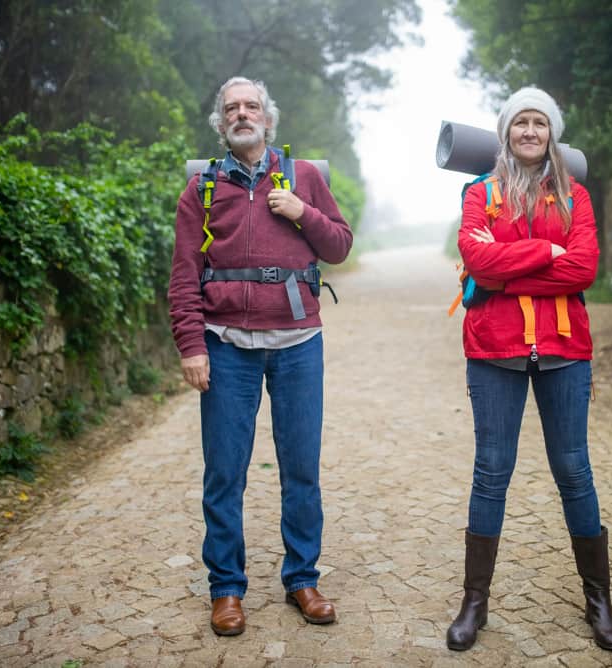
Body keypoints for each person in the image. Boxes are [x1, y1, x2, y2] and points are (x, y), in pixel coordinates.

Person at [168, 76, 352, 637]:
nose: (242, 114)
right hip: (226, 349)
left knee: (302, 470)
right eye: (232, 109)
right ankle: (226, 588)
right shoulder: (201, 189)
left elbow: (340, 247)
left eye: (251, 106)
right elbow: (183, 279)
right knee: (225, 473)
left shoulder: (307, 178)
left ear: (268, 119)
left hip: (298, 344)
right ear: (221, 124)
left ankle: (302, 579)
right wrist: (192, 346)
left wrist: (301, 211)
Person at [445, 86, 612, 652]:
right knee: (491, 470)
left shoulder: (576, 197)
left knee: (574, 470)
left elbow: (584, 268)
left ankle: (599, 601)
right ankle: (475, 603)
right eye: (519, 122)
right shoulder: (480, 194)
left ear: (552, 134)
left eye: (539, 123)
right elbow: (477, 259)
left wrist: (507, 273)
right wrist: (548, 256)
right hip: (494, 347)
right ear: (505, 132)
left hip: (564, 349)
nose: (529, 131)